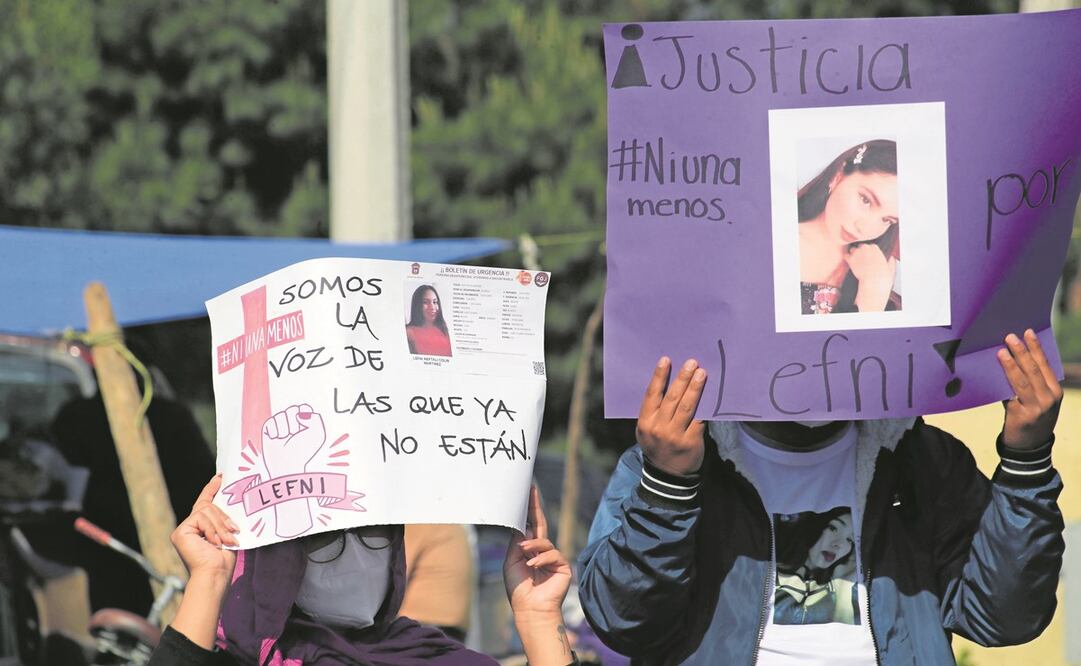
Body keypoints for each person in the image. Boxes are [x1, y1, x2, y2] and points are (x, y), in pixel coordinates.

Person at [578, 329, 1065, 664]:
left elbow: (1005, 617)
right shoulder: (669, 462)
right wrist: (669, 487)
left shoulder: (921, 460)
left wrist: (1027, 463)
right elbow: (624, 621)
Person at [149, 482, 576, 665]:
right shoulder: (243, 662)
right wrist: (208, 578)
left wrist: (539, 619)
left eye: (372, 531)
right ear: (278, 557)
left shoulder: (435, 659)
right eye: (325, 538)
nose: (354, 554)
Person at [798, 140, 899, 315]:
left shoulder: (878, 263)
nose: (865, 228)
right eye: (866, 200)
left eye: (886, 220)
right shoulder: (775, 242)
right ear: (838, 176)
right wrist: (873, 295)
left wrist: (876, 284)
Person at [772, 508, 858, 626]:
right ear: (814, 525)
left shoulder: (848, 587)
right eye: (833, 528)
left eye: (850, 539)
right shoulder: (766, 572)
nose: (839, 544)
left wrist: (843, 585)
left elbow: (847, 638)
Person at [405, 285, 453, 356]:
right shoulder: (409, 332)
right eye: (425, 302)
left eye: (435, 302)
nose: (432, 307)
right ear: (417, 305)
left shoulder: (442, 326)